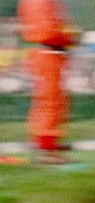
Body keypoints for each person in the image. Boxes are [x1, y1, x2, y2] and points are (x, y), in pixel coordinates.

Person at [17, 0, 80, 164]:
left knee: (49, 100)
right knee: (51, 101)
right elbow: (49, 30)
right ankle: (47, 150)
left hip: (45, 52)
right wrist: (69, 36)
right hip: (48, 51)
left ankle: (46, 145)